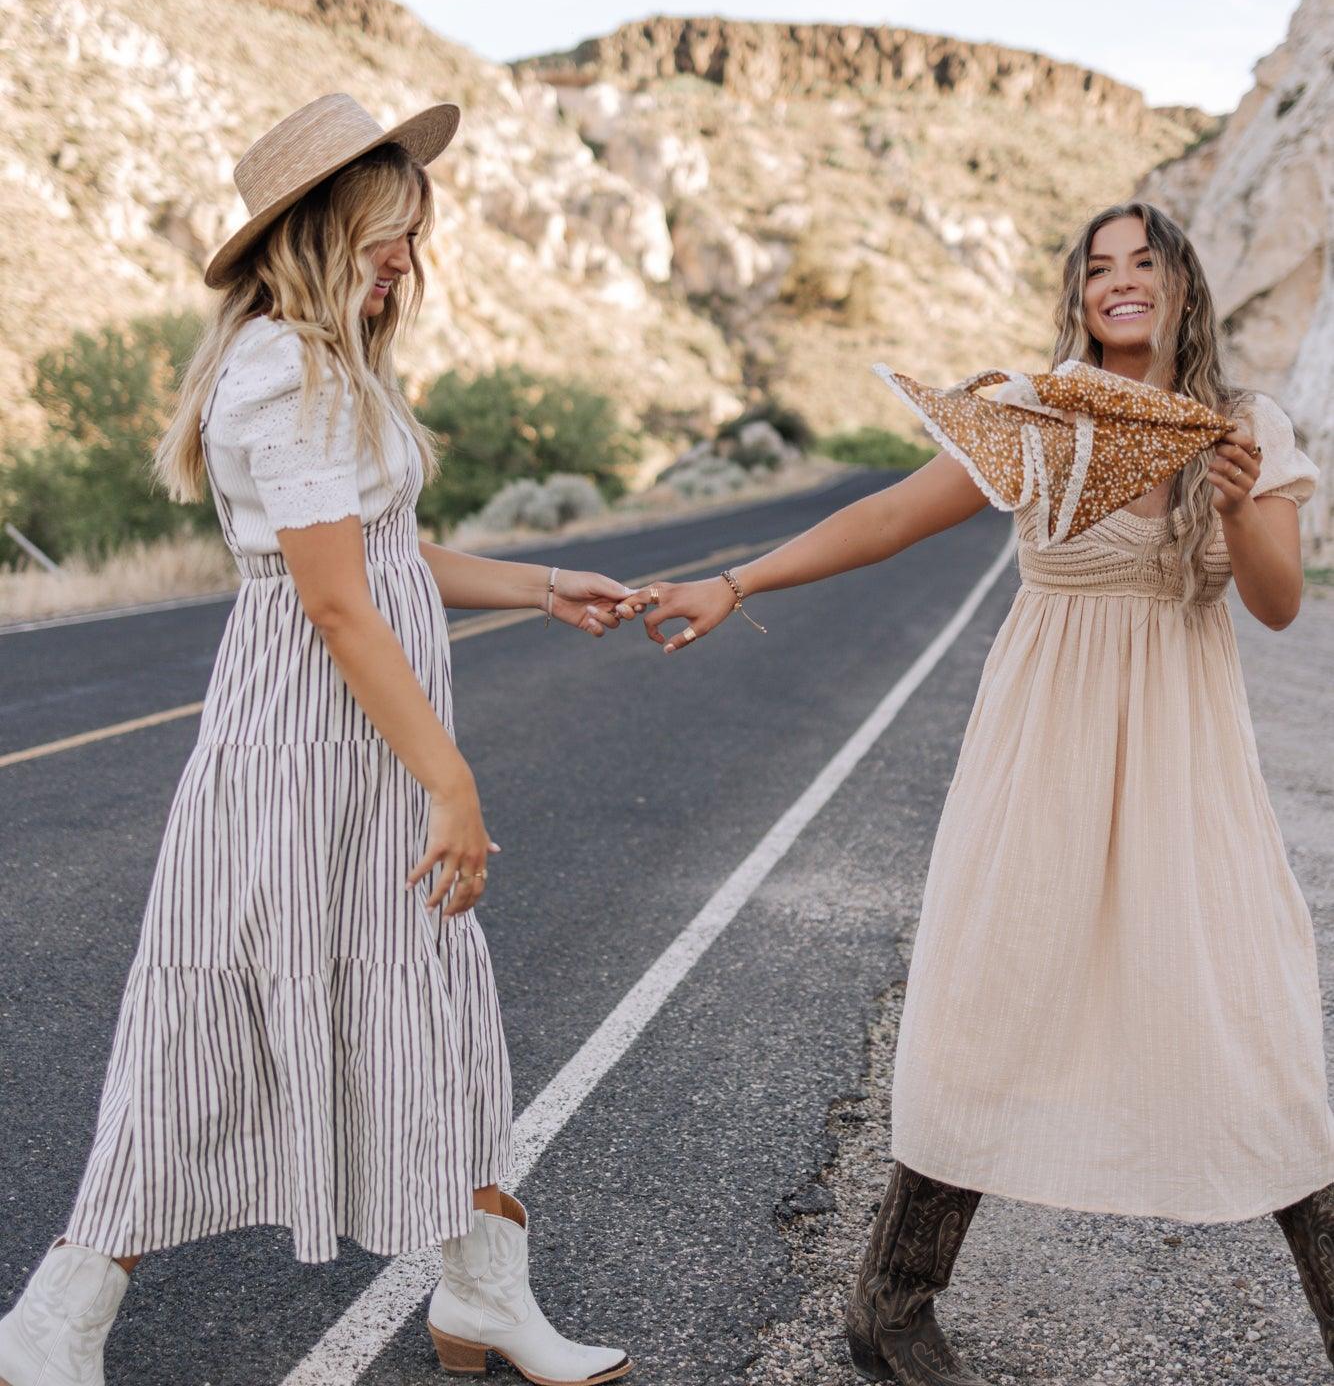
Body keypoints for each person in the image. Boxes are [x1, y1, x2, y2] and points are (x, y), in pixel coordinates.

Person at [622, 199, 1334, 1383]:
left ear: (1181, 284)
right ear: (1076, 292)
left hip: (1185, 749)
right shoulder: (1033, 411)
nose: (1119, 281)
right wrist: (734, 580)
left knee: (1246, 1000)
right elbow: (887, 517)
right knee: (994, 990)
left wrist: (1228, 497)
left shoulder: (1243, 422)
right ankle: (889, 1301)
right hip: (1043, 738)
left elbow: (1275, 601)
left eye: (1143, 262)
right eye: (1097, 266)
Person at [0, 93, 635, 1386]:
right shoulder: (283, 373)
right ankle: (55, 1320)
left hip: (356, 751)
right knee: (213, 1019)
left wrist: (537, 583)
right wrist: (450, 779)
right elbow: (337, 605)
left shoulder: (330, 367)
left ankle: (481, 1291)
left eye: (413, 230)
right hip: (301, 752)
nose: (407, 255)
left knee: (433, 1002)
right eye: (386, 229)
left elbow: (387, 554)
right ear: (316, 231)